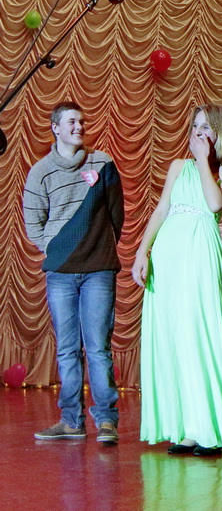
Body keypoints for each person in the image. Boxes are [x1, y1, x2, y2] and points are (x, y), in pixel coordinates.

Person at [133, 103, 222, 456]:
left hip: (200, 253)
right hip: (169, 253)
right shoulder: (177, 166)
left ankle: (211, 428)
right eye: (195, 126)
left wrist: (203, 160)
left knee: (202, 334)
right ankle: (186, 428)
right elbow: (161, 209)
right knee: (176, 338)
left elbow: (214, 204)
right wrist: (143, 251)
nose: (199, 132)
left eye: (207, 127)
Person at [23, 101, 124, 443]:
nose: (79, 126)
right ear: (55, 128)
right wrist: (57, 249)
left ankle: (106, 421)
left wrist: (99, 247)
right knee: (67, 349)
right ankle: (71, 421)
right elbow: (33, 223)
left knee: (98, 348)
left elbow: (117, 215)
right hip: (61, 273)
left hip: (99, 270)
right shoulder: (40, 172)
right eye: (71, 121)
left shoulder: (103, 163)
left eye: (81, 121)